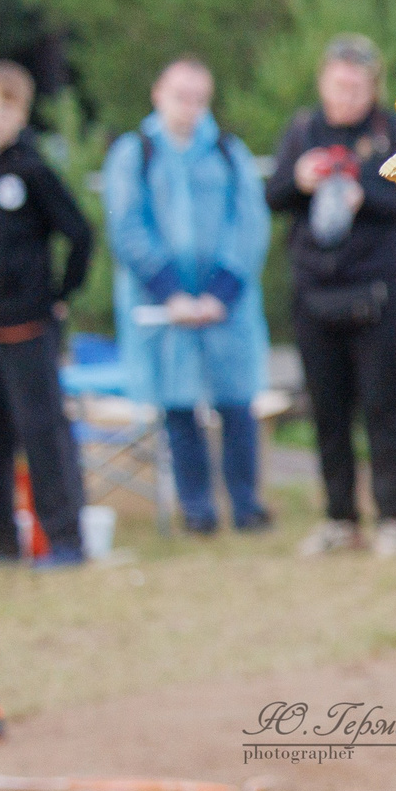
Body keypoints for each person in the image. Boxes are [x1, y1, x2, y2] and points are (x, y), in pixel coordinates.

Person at [102, 55, 273, 536]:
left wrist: (223, 290)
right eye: (181, 96)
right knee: (177, 404)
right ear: (158, 93)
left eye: (200, 98)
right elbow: (126, 226)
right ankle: (196, 507)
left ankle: (246, 503)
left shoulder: (227, 151)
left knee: (236, 402)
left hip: (227, 305)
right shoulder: (135, 154)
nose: (190, 108)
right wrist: (169, 292)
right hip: (164, 305)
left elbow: (250, 224)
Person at [268, 35, 396, 559]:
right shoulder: (303, 130)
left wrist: (366, 195)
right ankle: (339, 517)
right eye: (338, 83)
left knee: (382, 406)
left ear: (373, 86)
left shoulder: (389, 132)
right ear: (323, 82)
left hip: (377, 290)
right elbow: (274, 197)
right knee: (326, 410)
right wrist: (301, 179)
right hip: (316, 291)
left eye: (357, 84)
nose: (347, 93)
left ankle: (391, 517)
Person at [0, 60, 93, 568]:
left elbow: (80, 233)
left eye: (3, 112)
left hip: (27, 325)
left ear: (20, 117)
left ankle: (65, 538)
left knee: (40, 434)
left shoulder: (32, 171)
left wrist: (61, 292)